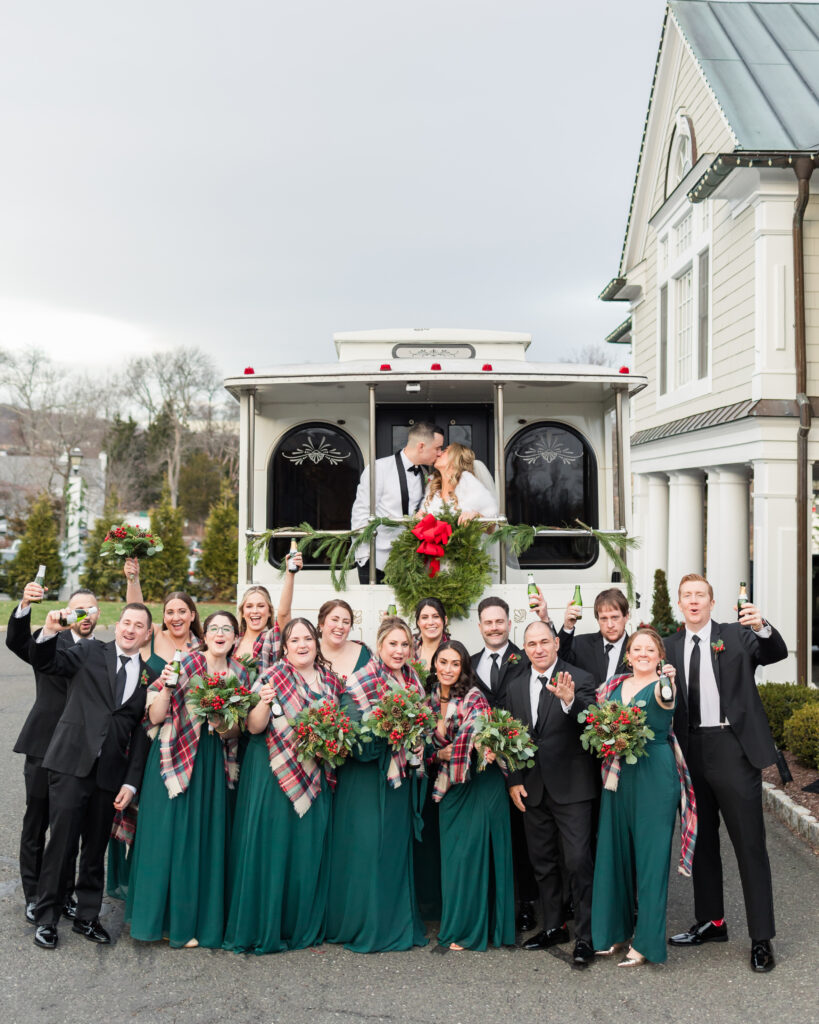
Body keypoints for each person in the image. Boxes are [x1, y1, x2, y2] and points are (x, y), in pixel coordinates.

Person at [663, 574, 787, 973]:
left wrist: (762, 627)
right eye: (687, 596)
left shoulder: (736, 635)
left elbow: (775, 653)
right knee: (701, 843)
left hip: (732, 747)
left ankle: (761, 938)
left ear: (711, 602)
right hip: (689, 748)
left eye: (700, 595)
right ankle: (712, 921)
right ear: (679, 603)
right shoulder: (669, 646)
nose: (694, 601)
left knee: (749, 845)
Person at [30, 603, 155, 950]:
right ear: (117, 626)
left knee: (95, 848)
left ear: (147, 633)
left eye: (138, 626)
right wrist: (50, 631)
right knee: (62, 844)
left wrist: (131, 782)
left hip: (110, 775)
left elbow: (140, 733)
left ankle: (87, 916)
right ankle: (47, 918)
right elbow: (46, 662)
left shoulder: (148, 675)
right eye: (126, 622)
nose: (130, 630)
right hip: (71, 763)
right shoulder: (87, 650)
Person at [125, 611, 250, 949]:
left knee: (201, 842)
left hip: (211, 762)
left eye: (227, 629)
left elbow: (237, 731)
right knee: (166, 839)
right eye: (214, 628)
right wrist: (166, 686)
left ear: (236, 637)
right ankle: (159, 921)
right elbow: (153, 715)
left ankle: (191, 922)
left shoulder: (240, 674)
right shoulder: (185, 663)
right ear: (204, 634)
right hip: (172, 756)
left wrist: (220, 720)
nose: (220, 633)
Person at [224, 618, 343, 954]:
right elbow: (253, 726)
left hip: (315, 776)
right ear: (285, 646)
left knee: (304, 852)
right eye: (295, 639)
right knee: (272, 850)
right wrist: (263, 701)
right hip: (272, 775)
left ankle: (299, 925)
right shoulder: (272, 676)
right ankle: (266, 926)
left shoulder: (332, 682)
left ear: (317, 643)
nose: (302, 644)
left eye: (308, 638)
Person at [591, 627, 695, 966]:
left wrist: (669, 680)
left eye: (651, 649)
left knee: (651, 863)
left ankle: (646, 943)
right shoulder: (614, 687)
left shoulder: (664, 684)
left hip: (654, 774)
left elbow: (668, 699)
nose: (643, 653)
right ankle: (614, 932)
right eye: (638, 648)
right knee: (613, 854)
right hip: (619, 778)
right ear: (628, 654)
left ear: (660, 656)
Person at [325, 616, 428, 952]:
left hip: (398, 782)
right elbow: (351, 739)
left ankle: (397, 923)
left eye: (404, 645)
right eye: (392, 644)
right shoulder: (361, 682)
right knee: (369, 852)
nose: (398, 651)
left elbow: (422, 726)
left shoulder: (413, 681)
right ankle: (369, 926)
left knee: (394, 851)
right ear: (380, 646)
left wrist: (417, 742)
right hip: (367, 782)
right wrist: (385, 734)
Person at [501, 620, 597, 965]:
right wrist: (513, 779)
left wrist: (571, 701)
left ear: (556, 643)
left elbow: (593, 721)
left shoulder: (579, 678)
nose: (538, 649)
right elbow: (508, 737)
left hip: (573, 786)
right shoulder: (514, 686)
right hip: (532, 787)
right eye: (531, 644)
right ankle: (554, 926)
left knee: (577, 861)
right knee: (543, 863)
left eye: (544, 642)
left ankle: (586, 935)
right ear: (524, 648)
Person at [6, 583, 101, 924]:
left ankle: (62, 895)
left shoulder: (102, 651)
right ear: (66, 612)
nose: (84, 616)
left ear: (98, 613)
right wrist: (25, 605)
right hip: (43, 745)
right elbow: (16, 642)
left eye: (90, 610)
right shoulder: (50, 641)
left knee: (69, 827)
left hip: (78, 754)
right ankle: (34, 896)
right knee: (38, 822)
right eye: (78, 609)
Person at [429, 640, 515, 951]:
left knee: (473, 858)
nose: (448, 669)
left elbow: (477, 734)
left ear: (464, 668)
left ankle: (471, 932)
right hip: (450, 785)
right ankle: (457, 924)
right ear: (435, 664)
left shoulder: (474, 697)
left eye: (455, 664)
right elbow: (427, 750)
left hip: (478, 782)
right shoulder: (428, 699)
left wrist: (448, 751)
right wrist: (440, 753)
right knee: (455, 860)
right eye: (443, 662)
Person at [469, 596, 535, 932]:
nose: (494, 627)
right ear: (479, 626)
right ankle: (491, 901)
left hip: (520, 760)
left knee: (521, 836)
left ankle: (525, 903)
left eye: (499, 621)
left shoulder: (525, 659)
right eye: (488, 622)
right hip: (482, 764)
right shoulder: (469, 663)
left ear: (509, 623)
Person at [351, 421, 444, 583]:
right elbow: (361, 511)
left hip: (410, 560)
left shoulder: (424, 473)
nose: (440, 453)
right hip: (376, 559)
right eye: (437, 448)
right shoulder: (379, 468)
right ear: (421, 446)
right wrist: (364, 556)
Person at [124, 559, 204, 669]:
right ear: (164, 618)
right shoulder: (153, 637)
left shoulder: (203, 646)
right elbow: (137, 613)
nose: (176, 618)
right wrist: (133, 580)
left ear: (192, 616)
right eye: (170, 612)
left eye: (182, 611)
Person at [553, 587, 631, 687]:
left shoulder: (637, 649)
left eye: (615, 617)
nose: (610, 625)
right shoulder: (580, 644)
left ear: (626, 616)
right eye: (603, 619)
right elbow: (557, 661)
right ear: (597, 620)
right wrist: (568, 626)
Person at [420, 442, 499, 524]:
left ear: (454, 458)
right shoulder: (432, 488)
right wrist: (418, 519)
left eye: (444, 451)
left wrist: (477, 516)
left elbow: (491, 528)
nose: (439, 454)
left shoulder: (469, 484)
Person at [317, 599, 370, 681]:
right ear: (321, 624)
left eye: (346, 622)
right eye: (335, 620)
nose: (340, 626)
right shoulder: (310, 655)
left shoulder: (364, 654)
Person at [412, 596, 449, 673]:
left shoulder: (453, 651)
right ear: (418, 622)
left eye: (436, 616)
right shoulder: (407, 647)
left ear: (445, 620)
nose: (430, 622)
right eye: (425, 617)